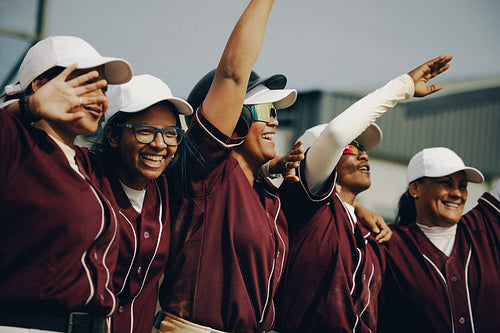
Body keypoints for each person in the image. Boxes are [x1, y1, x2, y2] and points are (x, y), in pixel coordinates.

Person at [275, 55, 453, 332]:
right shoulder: (310, 207)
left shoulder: (368, 233)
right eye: (352, 148)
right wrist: (402, 86)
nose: (364, 155)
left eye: (363, 148)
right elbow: (334, 135)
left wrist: (359, 211)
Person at [156, 0, 299, 332]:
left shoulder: (265, 194)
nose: (275, 123)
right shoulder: (206, 172)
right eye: (265, 112)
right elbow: (233, 75)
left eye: (277, 113)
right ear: (234, 119)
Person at [0, 35, 132, 332]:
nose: (102, 99)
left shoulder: (83, 163)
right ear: (39, 85)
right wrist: (26, 107)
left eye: (104, 89)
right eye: (87, 85)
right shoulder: (15, 143)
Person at [82, 74, 192, 333]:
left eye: (170, 134)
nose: (159, 144)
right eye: (145, 131)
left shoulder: (166, 190)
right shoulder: (83, 174)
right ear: (112, 135)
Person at [379, 147, 500, 332]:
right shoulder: (390, 243)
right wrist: (357, 208)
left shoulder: (484, 228)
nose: (457, 193)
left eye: (462, 185)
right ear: (415, 188)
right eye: (446, 183)